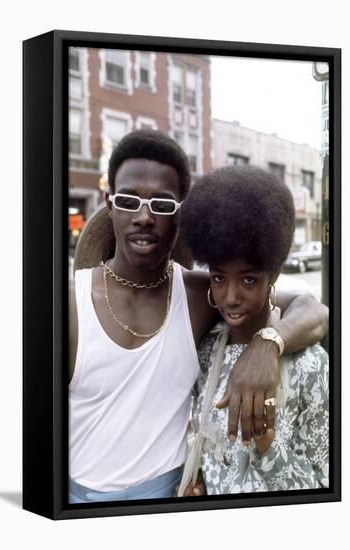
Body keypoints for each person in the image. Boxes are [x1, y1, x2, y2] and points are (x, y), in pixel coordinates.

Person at [68, 130, 328, 503]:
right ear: (110, 204)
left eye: (161, 204)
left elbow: (312, 308)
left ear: (180, 213)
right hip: (80, 500)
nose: (144, 216)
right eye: (129, 200)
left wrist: (268, 344)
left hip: (173, 497)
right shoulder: (70, 303)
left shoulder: (200, 296)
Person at [178, 165, 329, 495]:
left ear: (272, 273)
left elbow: (324, 489)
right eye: (218, 278)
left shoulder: (311, 365)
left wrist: (267, 444)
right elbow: (205, 442)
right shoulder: (206, 349)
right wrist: (199, 477)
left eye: (248, 279)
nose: (230, 297)